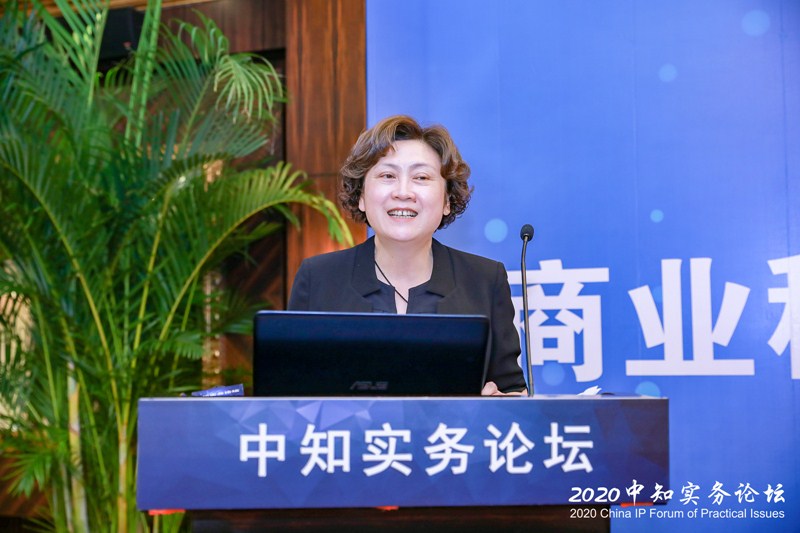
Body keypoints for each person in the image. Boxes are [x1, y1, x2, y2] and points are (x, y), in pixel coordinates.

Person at [288, 115, 527, 395]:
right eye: (387, 176)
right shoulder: (318, 278)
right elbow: (287, 394)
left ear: (447, 200)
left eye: (421, 177)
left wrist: (501, 402)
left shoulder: (484, 280)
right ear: (361, 196)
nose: (403, 192)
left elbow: (513, 390)